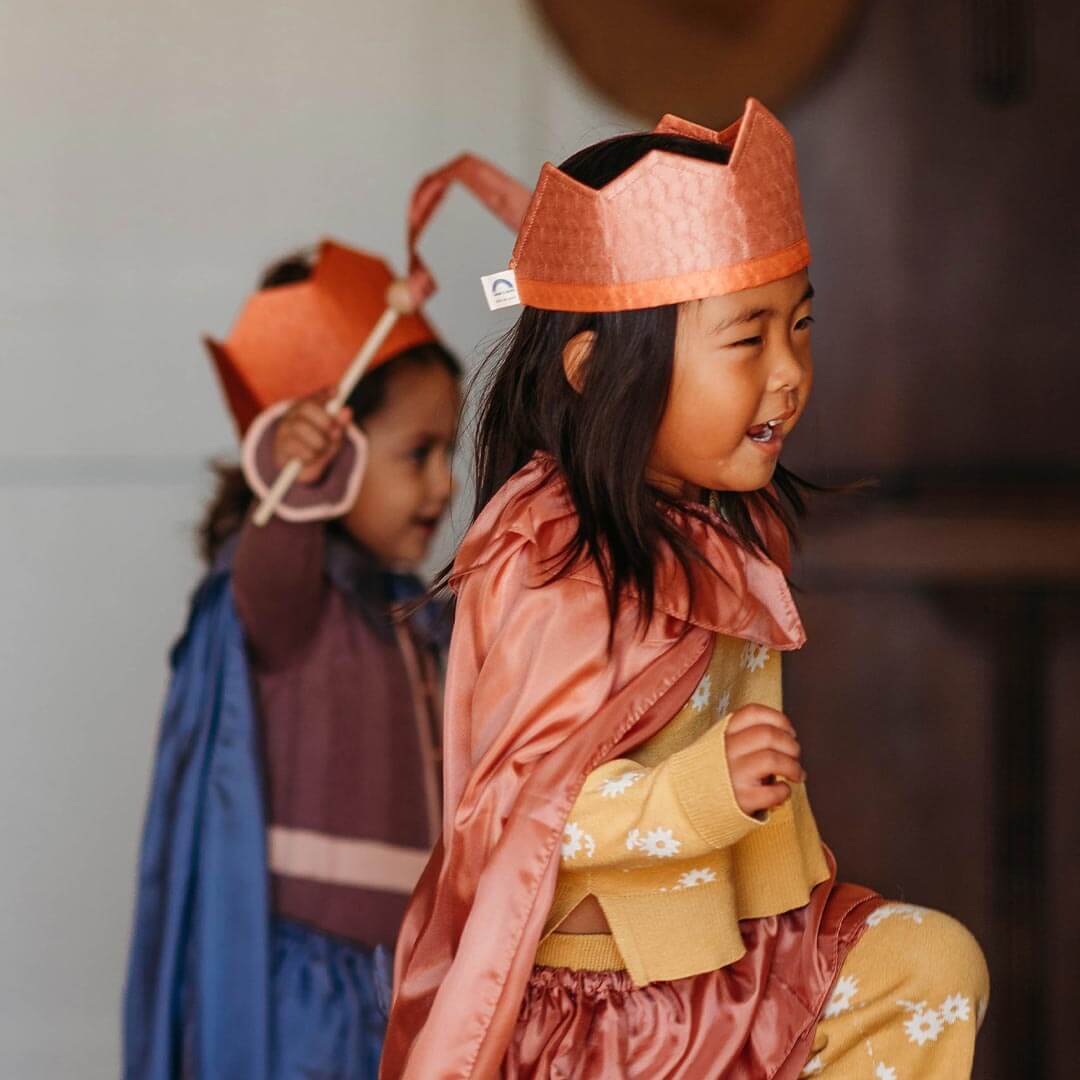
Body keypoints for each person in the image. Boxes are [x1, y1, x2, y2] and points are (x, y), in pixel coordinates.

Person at [382, 100, 989, 1079]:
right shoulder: (551, 554)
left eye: (799, 328)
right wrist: (693, 794)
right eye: (747, 341)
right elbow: (522, 808)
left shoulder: (707, 522)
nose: (789, 375)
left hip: (739, 951)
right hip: (617, 1001)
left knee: (927, 966)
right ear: (595, 368)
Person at [125, 239, 459, 1080]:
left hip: (409, 983)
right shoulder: (290, 606)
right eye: (419, 453)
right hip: (304, 989)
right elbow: (274, 556)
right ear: (333, 459)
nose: (446, 482)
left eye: (449, 452)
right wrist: (296, 481)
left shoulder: (417, 619)